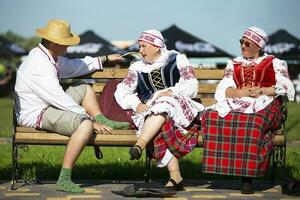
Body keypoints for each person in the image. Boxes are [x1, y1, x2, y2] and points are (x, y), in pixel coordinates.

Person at [14, 19, 130, 193]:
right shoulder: (39, 64)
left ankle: (103, 120)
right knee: (84, 126)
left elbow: (75, 66)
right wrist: (89, 120)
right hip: (37, 113)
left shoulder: (48, 56)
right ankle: (64, 178)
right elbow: (58, 98)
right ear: (54, 42)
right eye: (66, 43)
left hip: (48, 105)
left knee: (84, 88)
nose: (68, 48)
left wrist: (104, 59)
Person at [201, 27, 295, 194]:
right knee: (211, 115)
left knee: (252, 121)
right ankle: (224, 167)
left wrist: (264, 90)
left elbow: (286, 86)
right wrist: (240, 92)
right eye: (241, 42)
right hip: (240, 100)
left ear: (258, 46)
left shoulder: (273, 62)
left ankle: (247, 179)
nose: (242, 46)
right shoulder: (234, 63)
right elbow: (223, 89)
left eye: (247, 43)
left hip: (267, 102)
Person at [114, 30, 205, 190]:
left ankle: (140, 145)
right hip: (153, 112)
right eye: (139, 47)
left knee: (164, 105)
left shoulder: (177, 59)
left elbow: (191, 84)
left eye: (144, 46)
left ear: (157, 46)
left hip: (178, 107)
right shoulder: (137, 67)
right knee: (160, 119)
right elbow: (122, 89)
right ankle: (176, 177)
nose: (140, 50)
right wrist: (136, 104)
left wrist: (172, 92)